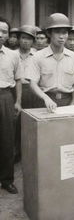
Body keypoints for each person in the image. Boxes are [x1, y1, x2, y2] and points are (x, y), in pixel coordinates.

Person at [25, 13, 74, 112]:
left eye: (65, 32)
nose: (62, 36)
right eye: (57, 32)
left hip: (68, 102)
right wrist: (46, 98)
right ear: (49, 33)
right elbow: (32, 84)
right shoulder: (38, 57)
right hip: (44, 101)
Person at [0, 17, 22, 194]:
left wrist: (18, 101)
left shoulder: (13, 55)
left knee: (7, 140)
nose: (1, 35)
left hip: (6, 97)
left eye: (4, 32)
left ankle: (7, 179)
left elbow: (18, 79)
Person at [14, 25, 37, 162]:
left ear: (33, 41)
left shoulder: (37, 55)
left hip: (32, 90)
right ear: (18, 39)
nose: (25, 41)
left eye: (29, 39)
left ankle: (31, 151)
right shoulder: (12, 54)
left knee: (32, 121)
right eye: (23, 38)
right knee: (16, 122)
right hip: (16, 90)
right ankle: (16, 152)